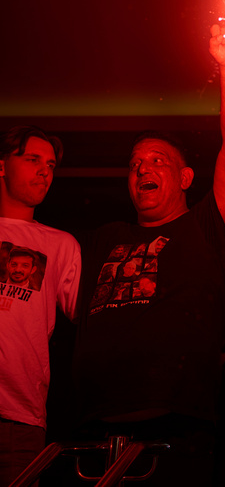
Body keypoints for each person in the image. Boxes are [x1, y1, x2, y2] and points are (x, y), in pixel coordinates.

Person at [71, 25, 225, 484]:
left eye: (156, 160)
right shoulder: (102, 238)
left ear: (187, 177)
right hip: (90, 427)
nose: (142, 168)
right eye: (135, 164)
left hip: (174, 426)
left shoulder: (206, 228)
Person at [0, 125, 81, 484]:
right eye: (32, 159)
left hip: (20, 417)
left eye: (50, 164)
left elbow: (95, 323)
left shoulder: (61, 246)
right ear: (1, 166)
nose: (44, 170)